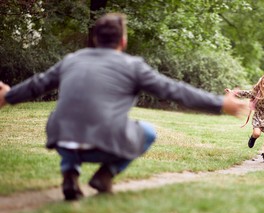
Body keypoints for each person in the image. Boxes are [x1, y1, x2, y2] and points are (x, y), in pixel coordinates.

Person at [0, 13, 246, 201]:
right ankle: (104, 176)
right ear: (123, 41)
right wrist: (219, 103)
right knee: (148, 132)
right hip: (104, 145)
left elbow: (37, 84)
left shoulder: (72, 60)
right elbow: (175, 90)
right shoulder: (133, 66)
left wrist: (8, 97)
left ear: (95, 39)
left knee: (67, 116)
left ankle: (70, 174)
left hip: (62, 141)